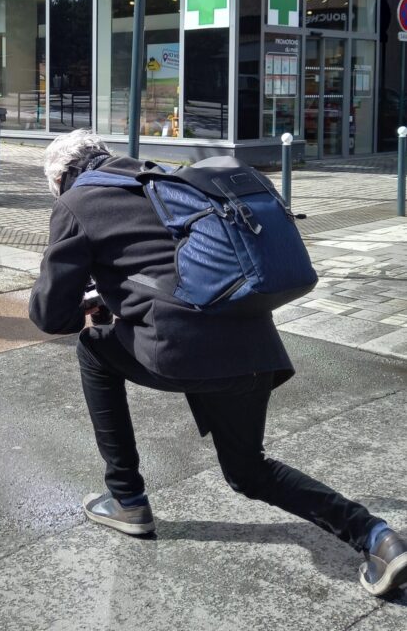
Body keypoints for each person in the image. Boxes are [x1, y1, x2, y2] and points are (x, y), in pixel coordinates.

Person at [28, 129, 407, 598]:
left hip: (186, 351)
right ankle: (377, 537)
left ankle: (126, 497)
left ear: (61, 179)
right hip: (254, 346)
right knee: (248, 471)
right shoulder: (163, 180)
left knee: (93, 349)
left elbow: (49, 315)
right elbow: (172, 267)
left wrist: (86, 310)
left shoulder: (75, 203)